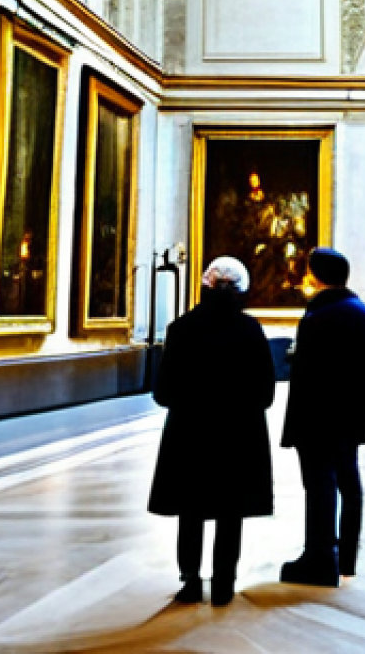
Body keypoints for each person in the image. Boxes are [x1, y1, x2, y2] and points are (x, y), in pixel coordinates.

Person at [148, 256, 276, 607]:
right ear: (241, 291)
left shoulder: (181, 329)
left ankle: (190, 579)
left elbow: (162, 393)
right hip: (238, 436)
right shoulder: (250, 330)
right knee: (229, 511)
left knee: (191, 511)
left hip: (190, 435)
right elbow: (266, 392)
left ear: (205, 285)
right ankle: (224, 583)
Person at [280, 247, 365, 587]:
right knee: (349, 484)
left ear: (316, 275)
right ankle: (346, 557)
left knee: (320, 486)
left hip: (316, 418)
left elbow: (307, 376)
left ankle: (319, 558)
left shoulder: (320, 316)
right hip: (350, 415)